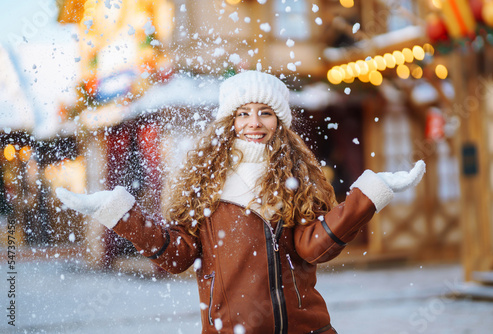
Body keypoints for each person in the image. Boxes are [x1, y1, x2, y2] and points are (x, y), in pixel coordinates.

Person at [56, 70, 425, 334]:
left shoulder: (298, 178)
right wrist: (121, 214)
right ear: (229, 121)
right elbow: (179, 256)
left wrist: (368, 196)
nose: (254, 122)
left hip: (307, 328)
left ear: (279, 121)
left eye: (265, 112)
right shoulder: (204, 183)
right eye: (243, 113)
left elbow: (313, 249)